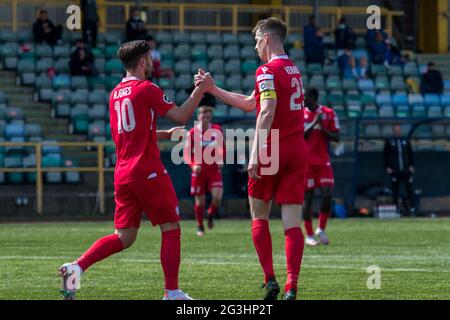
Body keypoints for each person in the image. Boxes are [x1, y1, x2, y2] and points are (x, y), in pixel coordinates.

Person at [58, 40, 213, 300]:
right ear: (142, 61)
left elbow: (130, 133)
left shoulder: (115, 93)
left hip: (123, 172)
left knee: (125, 236)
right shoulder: (146, 88)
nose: (152, 62)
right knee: (171, 227)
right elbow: (182, 115)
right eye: (150, 58)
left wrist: (164, 134)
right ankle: (171, 292)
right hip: (147, 169)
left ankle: (76, 267)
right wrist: (201, 89)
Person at [195, 17, 307, 300]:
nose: (256, 46)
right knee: (292, 220)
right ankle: (292, 286)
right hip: (297, 148)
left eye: (257, 40)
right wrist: (213, 89)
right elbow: (249, 103)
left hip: (273, 148)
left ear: (267, 39)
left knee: (260, 215)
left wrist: (256, 154)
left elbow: (265, 111)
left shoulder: (266, 70)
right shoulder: (294, 70)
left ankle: (270, 279)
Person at [302, 88, 340, 246]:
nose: (303, 100)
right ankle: (309, 235)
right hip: (306, 162)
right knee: (308, 199)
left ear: (313, 98)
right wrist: (314, 123)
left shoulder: (329, 113)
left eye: (305, 97)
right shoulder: (300, 114)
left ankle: (321, 228)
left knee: (327, 194)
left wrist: (322, 127)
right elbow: (301, 135)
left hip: (323, 161)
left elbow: (336, 137)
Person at [183, 97, 224, 236]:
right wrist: (193, 165)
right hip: (199, 171)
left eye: (207, 116)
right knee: (199, 201)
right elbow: (187, 154)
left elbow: (221, 149)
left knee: (217, 197)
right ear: (198, 116)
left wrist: (220, 159)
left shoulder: (217, 130)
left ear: (210, 116)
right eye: (202, 115)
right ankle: (200, 225)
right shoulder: (192, 133)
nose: (205, 118)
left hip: (213, 170)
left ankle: (211, 213)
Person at [383, 125, 416, 215]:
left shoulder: (406, 141)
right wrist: (387, 167)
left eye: (399, 130)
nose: (397, 132)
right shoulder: (389, 142)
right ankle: (396, 209)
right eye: (395, 130)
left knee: (409, 189)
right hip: (395, 171)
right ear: (393, 131)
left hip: (406, 170)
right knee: (395, 191)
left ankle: (413, 208)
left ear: (401, 131)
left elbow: (410, 154)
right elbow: (385, 156)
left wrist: (412, 166)